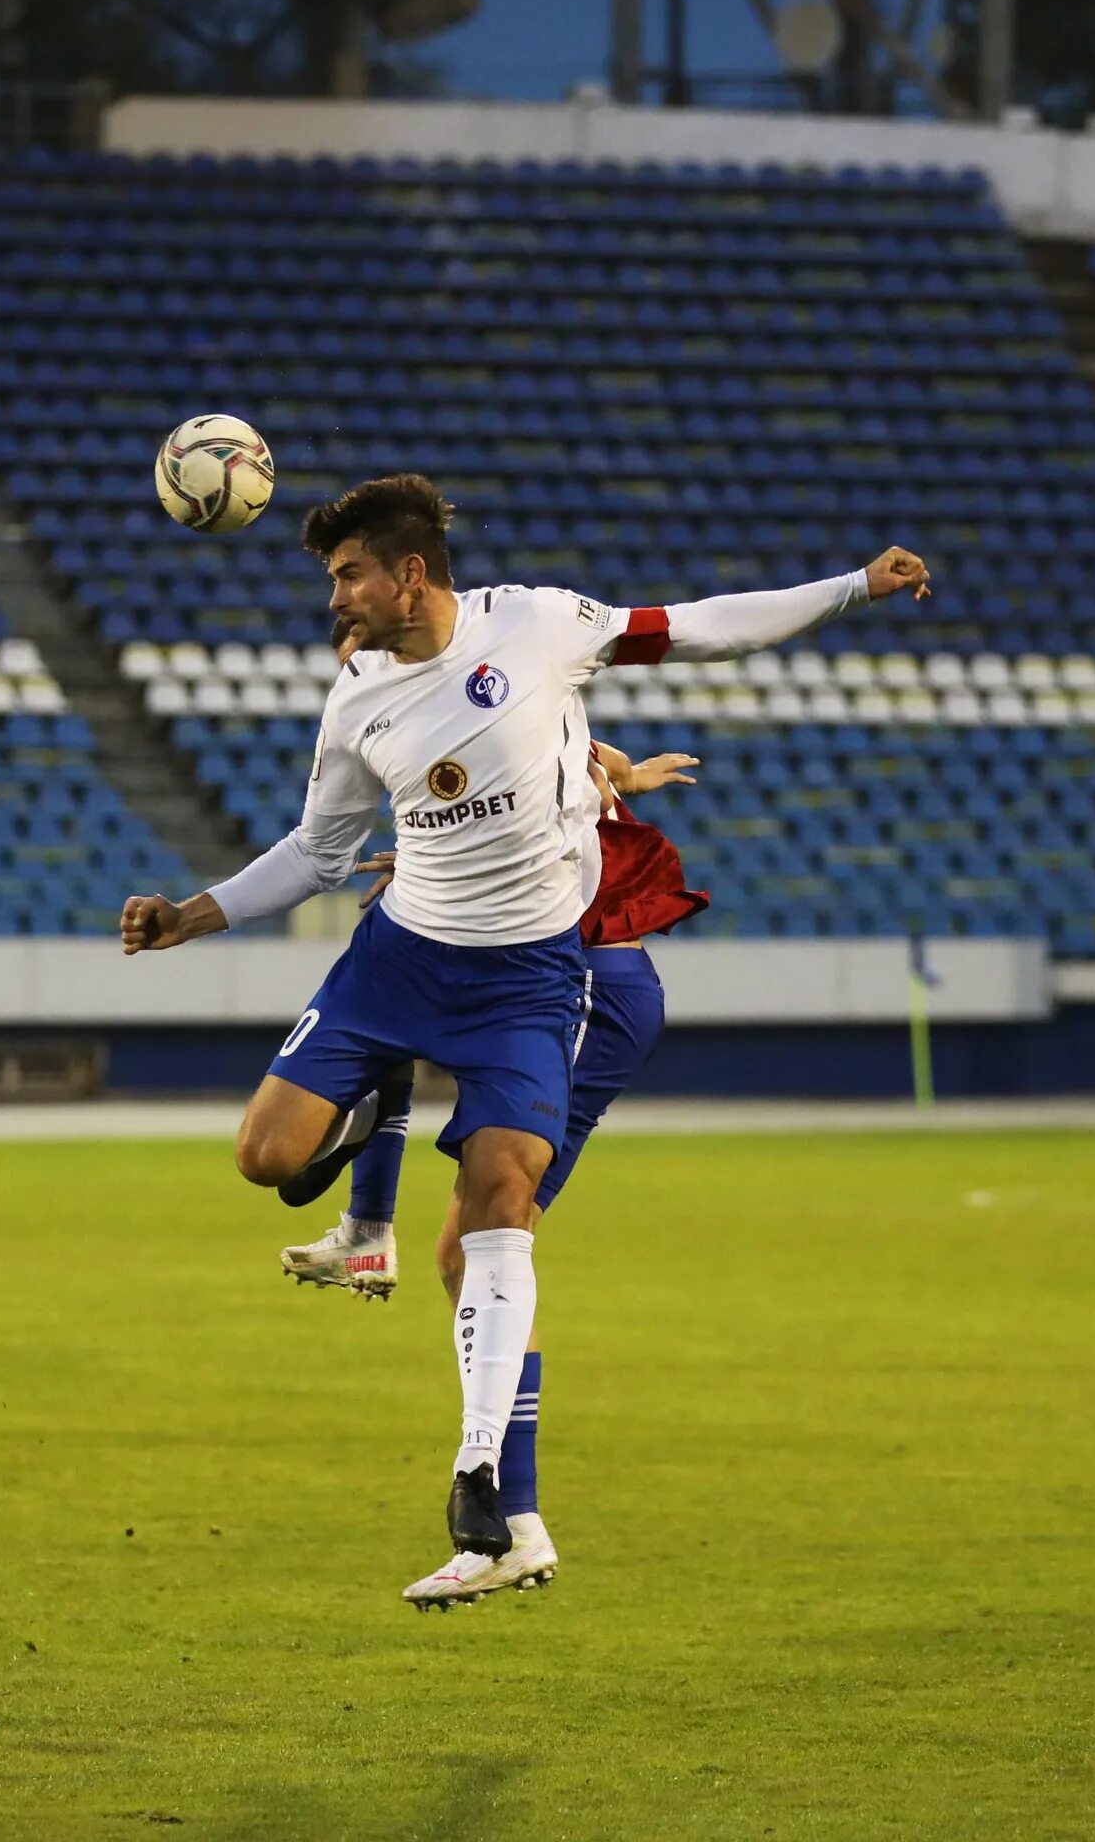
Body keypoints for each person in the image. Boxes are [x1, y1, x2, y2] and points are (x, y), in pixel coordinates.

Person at [120, 471, 928, 1601]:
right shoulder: (356, 698)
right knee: (265, 1157)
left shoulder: (538, 624)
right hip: (397, 959)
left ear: (411, 574)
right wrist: (191, 914)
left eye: (349, 574)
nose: (335, 598)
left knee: (501, 1199)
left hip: (528, 981)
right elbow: (316, 849)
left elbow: (695, 629)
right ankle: (367, 1129)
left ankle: (481, 1476)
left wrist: (852, 588)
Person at [285, 736, 710, 1608]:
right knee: (465, 1253)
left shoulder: (501, 694)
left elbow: (563, 790)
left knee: (485, 1235)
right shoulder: (506, 708)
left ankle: (369, 1231)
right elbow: (579, 774)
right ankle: (517, 1526)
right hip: (581, 980)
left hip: (586, 985)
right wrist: (619, 778)